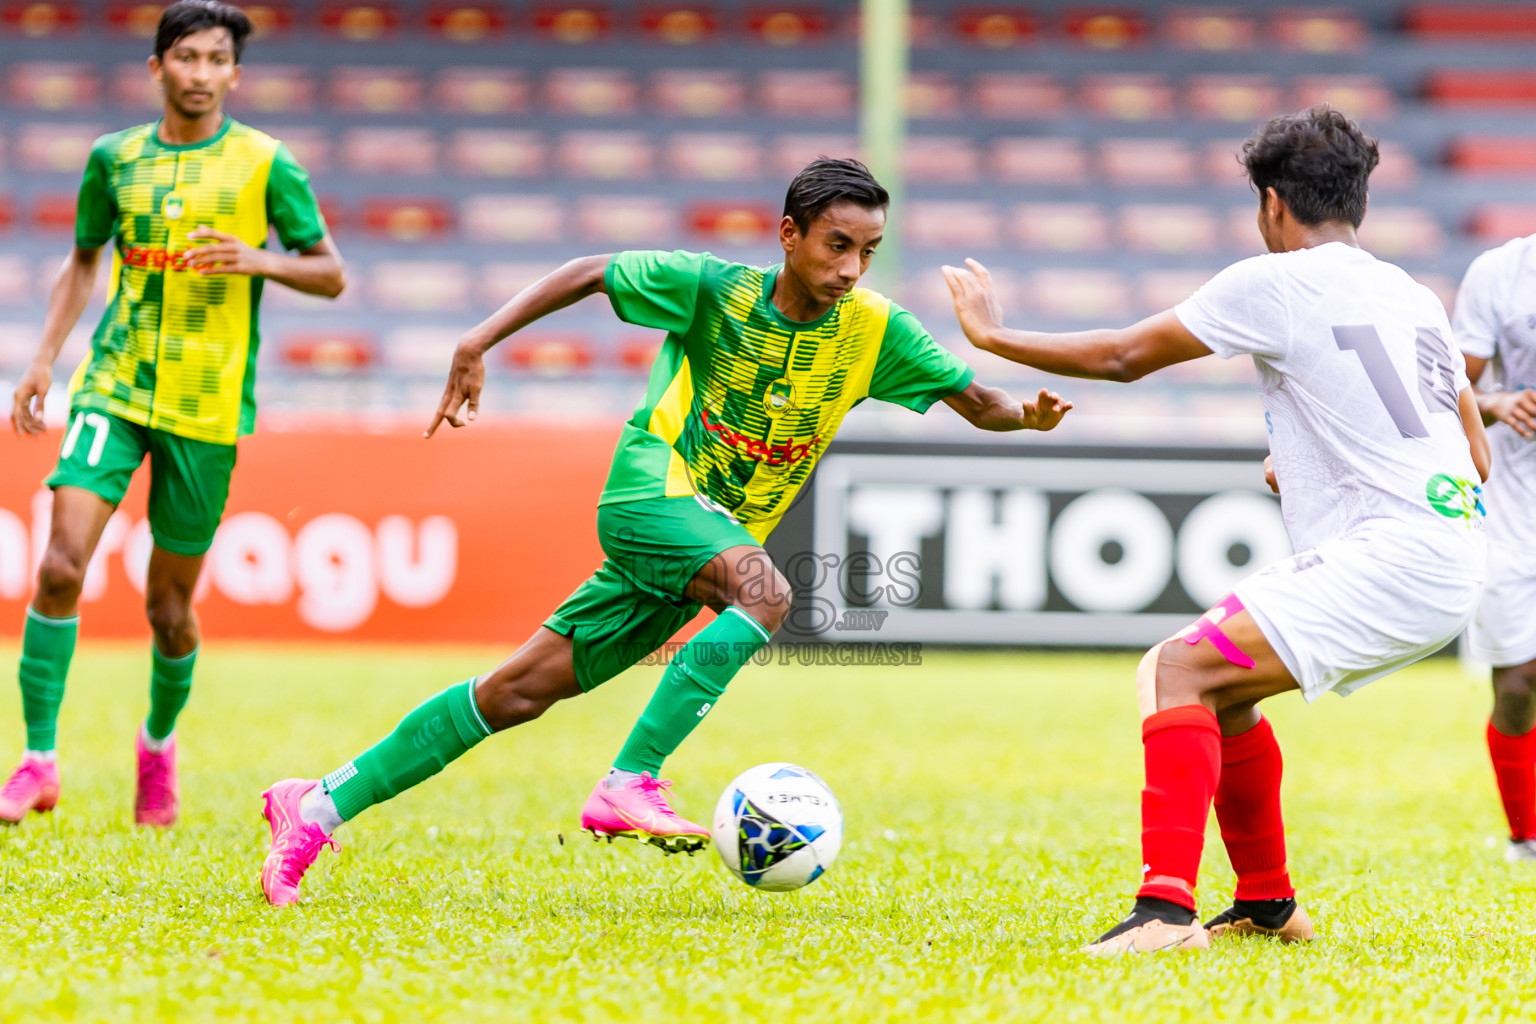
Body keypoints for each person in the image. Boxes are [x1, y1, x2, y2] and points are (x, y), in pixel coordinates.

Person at [256, 157, 1072, 906]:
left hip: (703, 537)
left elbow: (976, 401)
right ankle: (631, 779)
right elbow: (588, 274)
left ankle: (316, 804)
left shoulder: (874, 331)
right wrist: (476, 342)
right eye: (836, 245)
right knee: (767, 592)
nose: (851, 267)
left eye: (868, 249)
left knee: (515, 693)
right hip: (650, 493)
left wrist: (1024, 420)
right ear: (788, 235)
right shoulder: (712, 289)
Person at [943, 105, 1490, 954]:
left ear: (1273, 204)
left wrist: (990, 333)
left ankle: (1163, 913)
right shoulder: (1414, 297)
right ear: (1360, 200)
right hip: (1451, 548)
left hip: (1397, 554)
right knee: (1223, 696)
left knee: (1174, 670)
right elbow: (1475, 457)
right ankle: (1269, 903)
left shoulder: (1275, 281)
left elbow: (1124, 356)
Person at [4, 0, 345, 828]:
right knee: (58, 567)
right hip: (113, 386)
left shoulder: (267, 164)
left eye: (215, 59)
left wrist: (259, 258)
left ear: (235, 72)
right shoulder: (113, 159)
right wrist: (45, 357)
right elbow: (83, 260)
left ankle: (157, 745)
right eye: (184, 57)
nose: (199, 73)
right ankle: (38, 761)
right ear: (157, 68)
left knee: (169, 608)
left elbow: (330, 272)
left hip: (207, 404)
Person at [1452, 236, 1536, 861]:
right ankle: (1525, 837)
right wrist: (1499, 402)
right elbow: (1449, 388)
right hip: (1514, 505)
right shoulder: (1502, 273)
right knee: (1517, 678)